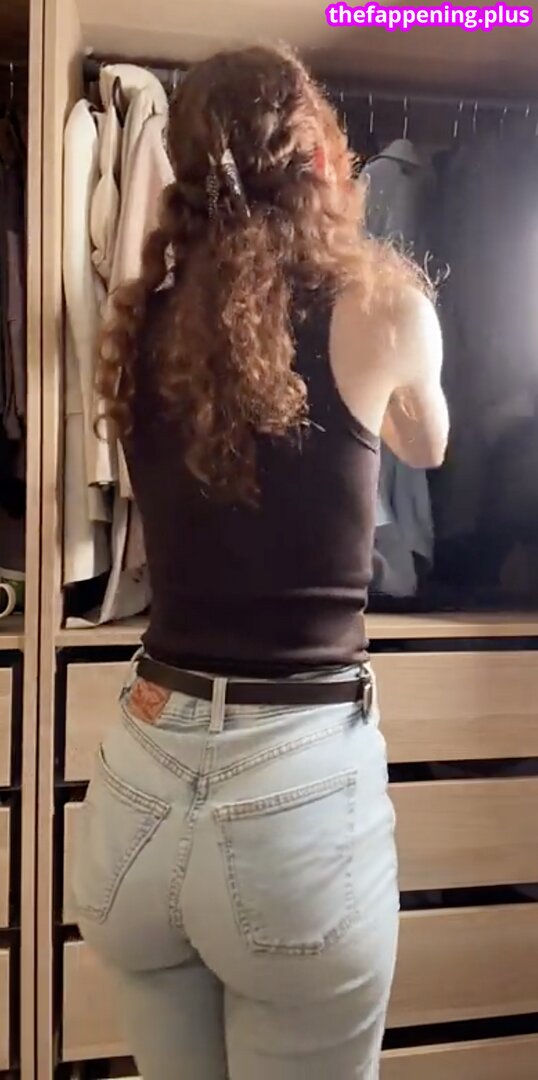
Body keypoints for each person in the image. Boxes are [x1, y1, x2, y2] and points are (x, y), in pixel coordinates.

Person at [73, 45, 448, 1080]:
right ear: (321, 157)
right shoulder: (383, 308)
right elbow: (429, 446)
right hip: (294, 799)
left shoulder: (142, 319)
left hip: (139, 787)